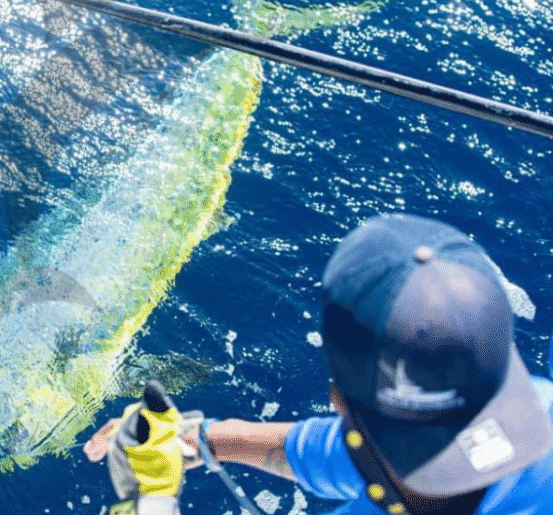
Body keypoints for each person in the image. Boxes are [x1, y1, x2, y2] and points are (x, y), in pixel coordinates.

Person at [86, 214, 553, 515]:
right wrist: (195, 439)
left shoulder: (383, 448)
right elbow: (329, 452)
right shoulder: (539, 406)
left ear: (336, 398)